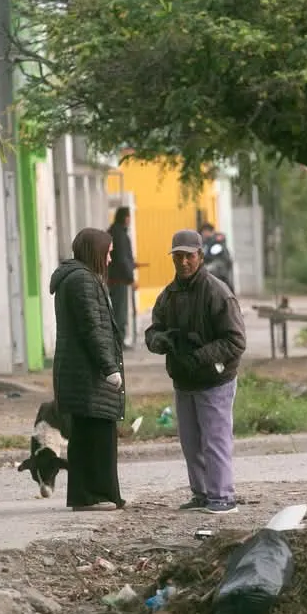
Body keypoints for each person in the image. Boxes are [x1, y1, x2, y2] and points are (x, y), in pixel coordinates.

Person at [145, 229, 247, 514]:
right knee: (192, 444)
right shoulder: (169, 294)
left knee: (215, 441)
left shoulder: (217, 292)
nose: (184, 262)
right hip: (184, 380)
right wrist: (159, 340)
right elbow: (153, 329)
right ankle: (202, 495)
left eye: (189, 256)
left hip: (215, 380)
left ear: (200, 256)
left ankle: (222, 497)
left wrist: (200, 357)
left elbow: (236, 341)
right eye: (178, 256)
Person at [49, 228, 126, 512]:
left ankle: (85, 495)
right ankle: (98, 493)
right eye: (107, 253)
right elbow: (93, 329)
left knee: (85, 435)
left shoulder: (76, 278)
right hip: (88, 374)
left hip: (79, 372)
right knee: (99, 434)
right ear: (95, 252)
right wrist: (109, 368)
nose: (109, 260)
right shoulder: (83, 281)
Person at [107, 206, 138, 347]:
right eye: (129, 216)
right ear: (125, 217)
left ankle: (116, 341)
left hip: (112, 278)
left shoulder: (113, 232)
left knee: (115, 310)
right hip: (119, 280)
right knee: (120, 312)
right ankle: (119, 342)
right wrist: (131, 278)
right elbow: (122, 259)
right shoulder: (120, 235)